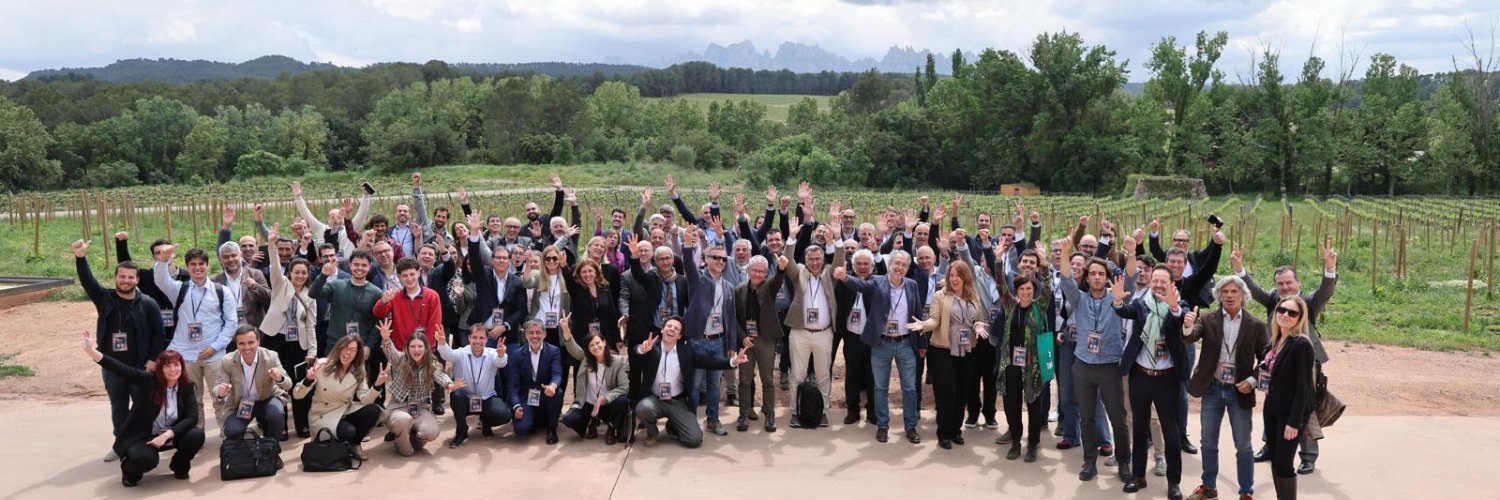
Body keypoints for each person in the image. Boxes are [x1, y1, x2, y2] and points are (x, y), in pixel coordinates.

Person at [1237, 241, 1338, 474]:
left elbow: (1325, 291)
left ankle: (1308, 456)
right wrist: (1240, 268)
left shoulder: (1310, 303)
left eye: (1288, 283)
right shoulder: (1273, 299)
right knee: (1273, 402)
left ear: (1298, 283)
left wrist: (1330, 268)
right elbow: (1254, 290)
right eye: (1280, 284)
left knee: (1304, 407)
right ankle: (1270, 446)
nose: (1284, 287)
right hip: (1277, 363)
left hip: (1305, 365)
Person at [73, 239, 168, 462]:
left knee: (143, 405)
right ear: (116, 277)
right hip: (112, 365)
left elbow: (158, 334)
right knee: (118, 406)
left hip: (139, 366)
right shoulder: (105, 299)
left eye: (130, 277)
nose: (126, 281)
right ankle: (120, 445)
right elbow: (88, 282)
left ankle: (144, 441)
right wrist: (80, 257)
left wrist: (153, 360)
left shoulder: (148, 303)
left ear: (137, 280)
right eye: (122, 277)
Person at [1054, 237, 1134, 483]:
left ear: (1107, 277)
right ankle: (1089, 462)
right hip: (1083, 366)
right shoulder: (1079, 300)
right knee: (1086, 417)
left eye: (1101, 273)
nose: (1097, 277)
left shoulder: (1117, 299)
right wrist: (1066, 253)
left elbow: (1130, 279)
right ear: (1087, 278)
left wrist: (1131, 252)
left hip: (1110, 367)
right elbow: (1066, 279)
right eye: (1093, 274)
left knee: (1118, 419)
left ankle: (1123, 462)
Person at [1183, 275, 1270, 500]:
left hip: (1239, 391)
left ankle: (1246, 492)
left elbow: (1267, 361)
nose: (1229, 296)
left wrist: (1252, 381)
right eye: (1225, 292)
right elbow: (1191, 336)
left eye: (1234, 292)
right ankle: (1209, 487)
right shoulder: (1208, 318)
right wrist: (1187, 326)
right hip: (1212, 388)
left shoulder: (1257, 325)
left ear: (1243, 295)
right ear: (1219, 295)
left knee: (1243, 445)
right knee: (1208, 441)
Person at [82, 334, 204, 487]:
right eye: (167, 366)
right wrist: (91, 351)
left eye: (176, 365)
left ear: (182, 366)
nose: (173, 369)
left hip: (169, 433)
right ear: (160, 369)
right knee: (146, 460)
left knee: (196, 435)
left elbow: (192, 417)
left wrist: (168, 434)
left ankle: (180, 466)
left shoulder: (187, 386)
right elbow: (120, 369)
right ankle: (129, 471)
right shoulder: (149, 382)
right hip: (144, 435)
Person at [1114, 265, 1189, 500]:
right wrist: (1116, 301)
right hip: (1140, 376)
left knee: (1172, 433)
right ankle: (1138, 476)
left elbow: (1182, 321)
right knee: (1139, 427)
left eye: (1162, 281)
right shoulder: (1141, 304)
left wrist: (1175, 307)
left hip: (1167, 380)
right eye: (1154, 281)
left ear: (1171, 284)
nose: (1157, 285)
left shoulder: (1180, 306)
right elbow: (1124, 311)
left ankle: (1174, 482)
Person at [154, 246, 240, 431]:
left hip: (214, 355)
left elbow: (231, 323)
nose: (197, 268)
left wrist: (215, 347)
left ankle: (228, 436)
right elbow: (161, 280)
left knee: (221, 397)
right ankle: (196, 434)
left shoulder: (221, 292)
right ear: (187, 266)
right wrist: (163, 260)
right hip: (185, 355)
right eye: (192, 264)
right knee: (193, 400)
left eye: (201, 263)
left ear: (207, 266)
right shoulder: (179, 289)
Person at [905, 260, 989, 450]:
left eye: (957, 275)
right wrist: (923, 325)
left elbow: (978, 319)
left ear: (965, 277)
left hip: (967, 351)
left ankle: (955, 430)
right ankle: (943, 433)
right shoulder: (940, 296)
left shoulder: (973, 296)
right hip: (943, 351)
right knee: (945, 394)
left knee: (962, 392)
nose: (954, 279)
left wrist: (979, 325)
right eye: (951, 275)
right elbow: (934, 320)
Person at [629, 317, 749, 447]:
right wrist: (642, 349)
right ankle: (652, 433)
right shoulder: (651, 348)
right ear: (662, 329)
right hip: (655, 399)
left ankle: (673, 425)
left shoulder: (685, 352)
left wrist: (732, 362)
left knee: (694, 440)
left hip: (676, 401)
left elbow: (708, 362)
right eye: (669, 326)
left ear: (680, 336)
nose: (672, 329)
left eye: (676, 328)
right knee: (642, 408)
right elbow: (636, 353)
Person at [782, 201, 847, 428]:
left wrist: (836, 239)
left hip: (823, 333)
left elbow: (839, 261)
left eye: (818, 258)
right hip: (800, 332)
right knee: (797, 376)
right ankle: (794, 412)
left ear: (822, 260)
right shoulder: (799, 272)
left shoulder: (830, 273)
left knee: (823, 376)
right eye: (810, 259)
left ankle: (822, 412)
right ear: (806, 261)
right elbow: (788, 261)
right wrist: (791, 238)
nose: (815, 262)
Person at [677, 225, 739, 436]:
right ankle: (691, 421)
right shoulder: (698, 279)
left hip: (719, 341)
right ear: (707, 259)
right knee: (694, 385)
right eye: (715, 258)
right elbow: (687, 265)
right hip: (698, 341)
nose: (720, 262)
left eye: (723, 259)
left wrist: (731, 344)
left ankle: (713, 421)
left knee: (714, 385)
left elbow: (730, 317)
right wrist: (687, 244)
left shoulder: (729, 287)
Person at [258, 224, 319, 438]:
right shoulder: (280, 284)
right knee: (276, 381)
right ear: (290, 273)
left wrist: (312, 351)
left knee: (300, 384)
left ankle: (301, 424)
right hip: (275, 339)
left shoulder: (311, 295)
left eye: (304, 272)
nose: (300, 275)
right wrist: (272, 245)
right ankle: (280, 425)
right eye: (297, 272)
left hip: (299, 344)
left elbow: (311, 324)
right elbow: (274, 266)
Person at [376, 318, 463, 456]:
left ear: (426, 349)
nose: (416, 350)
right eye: (413, 346)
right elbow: (390, 352)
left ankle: (414, 440)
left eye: (420, 346)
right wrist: (386, 339)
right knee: (403, 421)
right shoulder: (400, 359)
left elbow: (439, 375)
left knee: (431, 432)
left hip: (420, 407)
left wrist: (450, 384)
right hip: (398, 406)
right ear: (407, 348)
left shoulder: (431, 363)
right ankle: (402, 443)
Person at [1261, 296, 1318, 500]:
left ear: (1300, 318)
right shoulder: (1277, 340)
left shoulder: (1301, 345)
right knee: (1276, 461)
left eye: (1292, 312)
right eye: (1282, 310)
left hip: (1289, 415)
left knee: (1284, 465)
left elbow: (1304, 388)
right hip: (1272, 410)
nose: (1285, 315)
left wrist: (1294, 422)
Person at [293, 335, 385, 460]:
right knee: (349, 431)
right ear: (338, 348)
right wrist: (308, 380)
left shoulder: (359, 370)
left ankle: (355, 444)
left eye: (353, 350)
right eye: (345, 348)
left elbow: (364, 399)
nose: (348, 353)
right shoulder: (322, 365)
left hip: (344, 411)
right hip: (323, 414)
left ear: (358, 353)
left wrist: (377, 385)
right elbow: (297, 395)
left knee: (373, 410)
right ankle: (342, 445)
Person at [995, 270, 1051, 463]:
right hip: (1011, 363)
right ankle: (1016, 441)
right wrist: (998, 260)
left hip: (1032, 364)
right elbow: (1000, 285)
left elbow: (1048, 290)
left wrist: (1044, 267)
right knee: (1011, 404)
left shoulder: (1039, 307)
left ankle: (1033, 444)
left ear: (1033, 290)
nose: (1026, 292)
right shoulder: (1011, 305)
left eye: (1029, 289)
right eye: (1022, 288)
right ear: (1016, 290)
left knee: (1034, 404)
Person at [735, 254, 789, 433]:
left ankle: (770, 414)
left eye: (761, 271)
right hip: (746, 341)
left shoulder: (769, 287)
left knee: (767, 380)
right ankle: (743, 413)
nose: (757, 274)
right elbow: (735, 318)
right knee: (744, 379)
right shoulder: (739, 290)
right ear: (748, 270)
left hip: (765, 338)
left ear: (766, 273)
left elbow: (778, 280)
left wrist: (781, 268)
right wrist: (742, 336)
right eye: (754, 270)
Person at [558, 315, 631, 445]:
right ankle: (590, 422)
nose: (595, 347)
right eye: (591, 345)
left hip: (607, 404)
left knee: (622, 401)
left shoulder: (618, 361)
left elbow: (624, 387)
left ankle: (611, 427)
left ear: (604, 342)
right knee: (569, 419)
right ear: (588, 349)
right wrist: (566, 329)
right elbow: (572, 347)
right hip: (588, 404)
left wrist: (603, 398)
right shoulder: (585, 359)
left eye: (598, 343)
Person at [212, 325, 292, 441]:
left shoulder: (270, 357)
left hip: (267, 399)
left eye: (251, 342)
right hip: (242, 404)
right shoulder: (228, 361)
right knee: (231, 430)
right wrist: (220, 392)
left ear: (258, 342)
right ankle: (244, 453)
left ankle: (272, 448)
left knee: (275, 415)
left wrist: (279, 378)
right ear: (237, 344)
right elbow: (217, 387)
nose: (247, 347)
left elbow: (288, 384)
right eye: (242, 343)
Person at [436, 325, 511, 448]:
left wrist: (502, 354)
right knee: (456, 395)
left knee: (505, 414)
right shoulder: (462, 352)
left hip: (486, 399)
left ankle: (485, 422)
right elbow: (448, 355)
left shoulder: (492, 353)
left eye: (481, 338)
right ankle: (462, 432)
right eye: (474, 337)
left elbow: (501, 363)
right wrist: (442, 343)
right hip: (465, 400)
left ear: (486, 340)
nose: (478, 341)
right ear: (469, 338)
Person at [465, 211, 529, 347]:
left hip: (508, 337)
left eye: (504, 258)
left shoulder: (517, 282)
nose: (501, 260)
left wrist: (505, 326)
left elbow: (522, 309)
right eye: (498, 258)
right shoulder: (483, 275)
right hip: (482, 335)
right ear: (492, 261)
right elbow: (474, 257)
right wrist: (475, 232)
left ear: (510, 261)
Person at [310, 250, 381, 365]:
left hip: (359, 346)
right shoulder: (337, 285)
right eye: (356, 264)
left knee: (356, 381)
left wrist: (369, 346)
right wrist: (323, 276)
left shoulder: (376, 292)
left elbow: (378, 322)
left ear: (370, 267)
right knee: (329, 379)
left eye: (364, 265)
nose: (359, 268)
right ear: (350, 265)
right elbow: (313, 294)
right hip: (334, 343)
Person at [507, 320, 565, 445]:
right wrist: (516, 405)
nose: (535, 336)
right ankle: (533, 419)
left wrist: (553, 386)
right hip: (527, 396)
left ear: (544, 334)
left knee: (557, 393)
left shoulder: (553, 351)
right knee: (521, 429)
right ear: (526, 334)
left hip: (545, 394)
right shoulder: (516, 355)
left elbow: (557, 374)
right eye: (531, 333)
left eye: (538, 332)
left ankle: (551, 429)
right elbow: (513, 384)